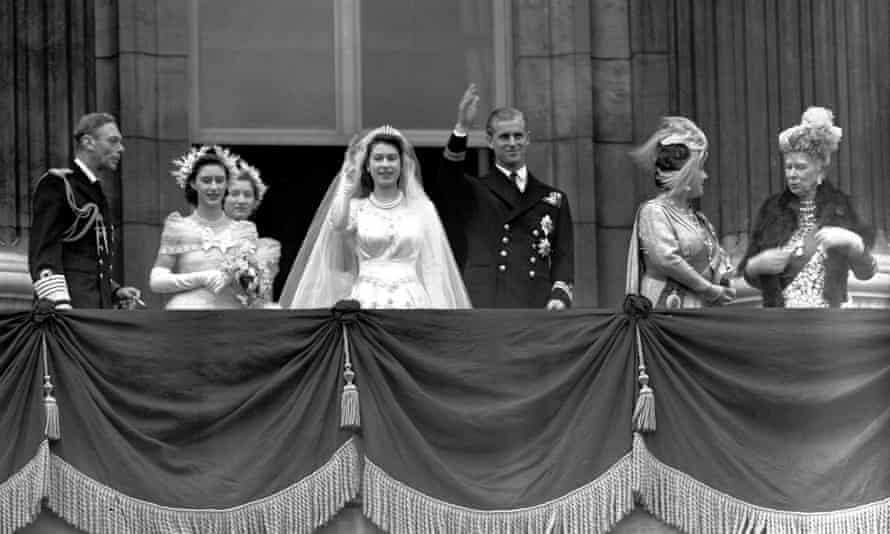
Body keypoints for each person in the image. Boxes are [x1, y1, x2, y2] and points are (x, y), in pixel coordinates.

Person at [279, 125, 471, 309]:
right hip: (367, 299)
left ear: (402, 164)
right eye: (378, 158)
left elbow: (433, 265)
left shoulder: (423, 209)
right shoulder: (356, 208)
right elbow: (337, 224)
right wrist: (346, 185)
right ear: (368, 166)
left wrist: (438, 308)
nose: (385, 164)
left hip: (413, 301)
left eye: (391, 158)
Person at [427, 84, 574, 309]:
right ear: (490, 141)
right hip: (487, 302)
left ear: (528, 139)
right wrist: (462, 127)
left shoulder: (553, 198)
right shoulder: (475, 190)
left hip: (535, 302)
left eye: (518, 136)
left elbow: (563, 255)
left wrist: (560, 295)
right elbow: (447, 177)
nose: (512, 143)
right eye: (504, 137)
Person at [738, 107, 876, 308]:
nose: (792, 174)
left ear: (820, 168)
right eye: (788, 166)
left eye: (801, 167)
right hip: (781, 324)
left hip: (828, 324)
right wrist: (754, 266)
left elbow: (866, 273)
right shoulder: (772, 210)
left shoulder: (842, 208)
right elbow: (751, 278)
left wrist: (854, 243)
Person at [28, 112, 142, 309]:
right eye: (113, 141)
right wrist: (59, 305)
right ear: (88, 142)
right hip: (70, 312)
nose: (120, 149)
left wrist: (113, 290)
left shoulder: (95, 191)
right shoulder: (57, 185)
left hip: (95, 312)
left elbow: (87, 259)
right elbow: (44, 253)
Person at [625, 117, 735, 308]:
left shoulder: (698, 219)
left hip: (698, 307)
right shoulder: (654, 212)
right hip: (667, 307)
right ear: (686, 176)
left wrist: (724, 277)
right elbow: (667, 260)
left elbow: (717, 258)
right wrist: (708, 289)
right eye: (701, 169)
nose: (705, 176)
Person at [149, 145, 262, 309]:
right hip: (188, 317)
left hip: (231, 320)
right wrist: (202, 278)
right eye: (206, 181)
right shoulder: (179, 227)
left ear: (227, 184)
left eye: (220, 180)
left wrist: (242, 276)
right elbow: (157, 281)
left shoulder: (244, 231)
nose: (214, 187)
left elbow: (255, 290)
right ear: (194, 183)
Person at [223, 158, 281, 306]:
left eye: (247, 195)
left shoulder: (269, 247)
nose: (241, 200)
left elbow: (258, 291)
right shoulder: (206, 237)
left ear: (255, 202)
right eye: (234, 194)